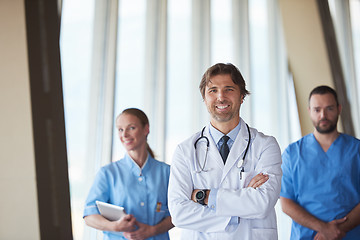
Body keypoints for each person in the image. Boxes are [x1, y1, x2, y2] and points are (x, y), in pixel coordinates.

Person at [168, 63, 282, 239]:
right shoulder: (185, 150)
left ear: (242, 96)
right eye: (213, 90)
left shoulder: (265, 145)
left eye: (229, 89)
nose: (221, 97)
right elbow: (179, 212)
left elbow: (262, 203)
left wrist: (203, 196)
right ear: (204, 98)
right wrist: (235, 213)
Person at [280, 85, 360, 239]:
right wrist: (323, 228)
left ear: (339, 109)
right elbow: (286, 203)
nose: (323, 115)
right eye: (317, 110)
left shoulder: (356, 150)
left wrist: (336, 230)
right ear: (309, 111)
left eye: (329, 108)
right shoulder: (292, 153)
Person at [83, 108, 174, 240]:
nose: (124, 135)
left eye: (131, 128)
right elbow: (89, 216)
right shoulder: (108, 173)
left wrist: (152, 231)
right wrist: (114, 227)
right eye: (120, 129)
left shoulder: (167, 172)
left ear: (146, 129)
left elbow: (179, 213)